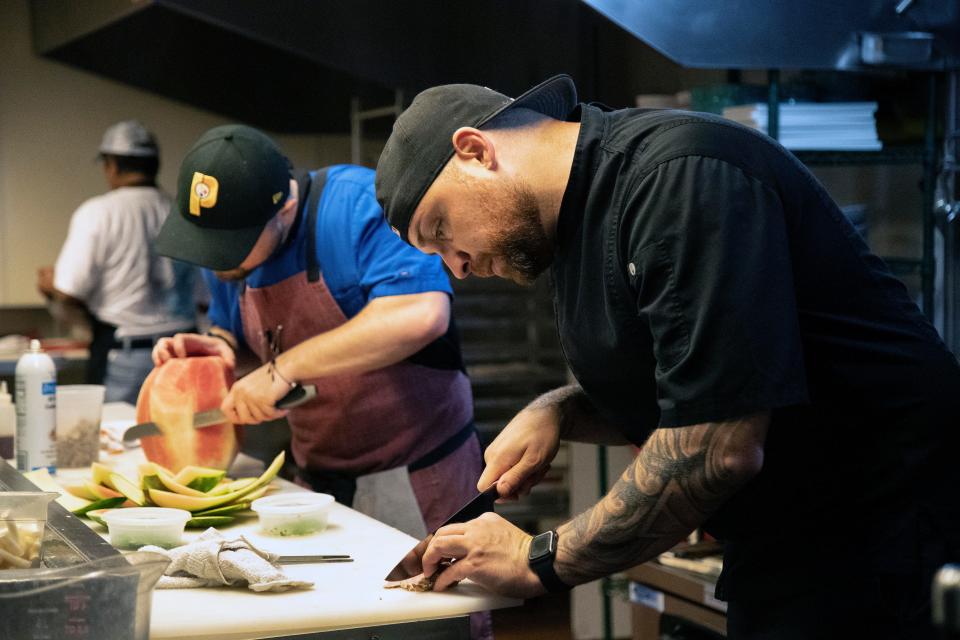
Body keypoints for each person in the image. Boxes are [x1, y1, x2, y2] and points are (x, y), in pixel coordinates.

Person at [374, 74, 960, 638]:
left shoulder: (679, 177)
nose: (458, 267)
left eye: (442, 230)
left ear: (476, 150)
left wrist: (538, 558)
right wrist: (561, 411)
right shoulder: (568, 227)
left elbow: (716, 446)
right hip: (789, 544)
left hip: (889, 541)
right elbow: (685, 372)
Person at [151, 123, 493, 639]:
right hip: (318, 484)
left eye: (232, 245)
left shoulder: (358, 206)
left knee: (428, 626)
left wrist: (284, 368)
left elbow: (419, 314)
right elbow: (237, 335)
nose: (219, 258)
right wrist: (214, 354)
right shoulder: (229, 256)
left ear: (284, 208)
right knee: (327, 626)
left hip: (418, 473)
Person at [38, 120, 198, 404]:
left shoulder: (98, 212)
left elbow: (69, 289)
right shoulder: (182, 213)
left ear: (112, 165)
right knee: (178, 438)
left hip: (122, 353)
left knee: (116, 439)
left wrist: (50, 285)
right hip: (182, 350)